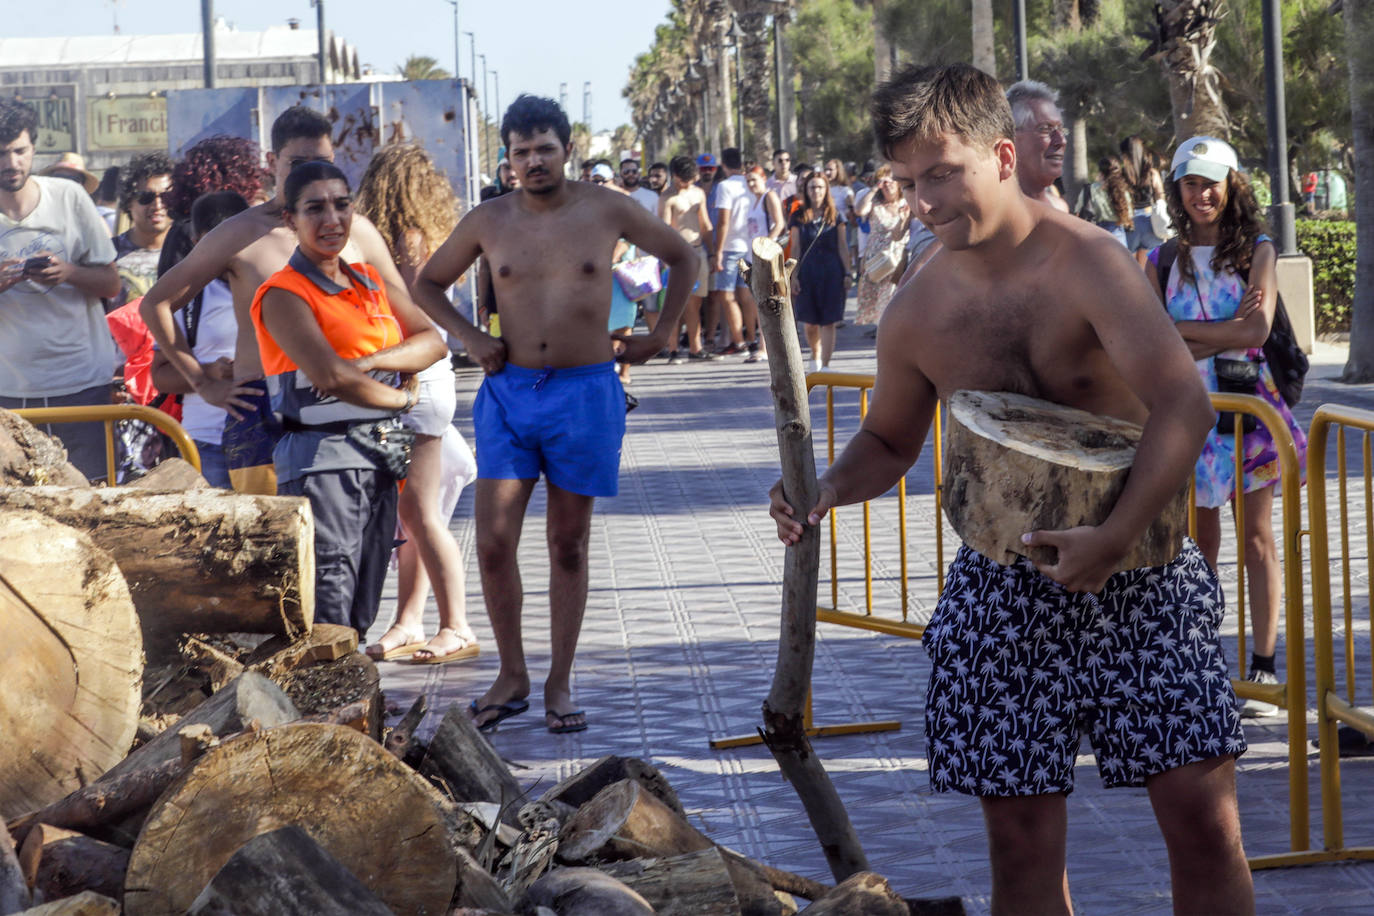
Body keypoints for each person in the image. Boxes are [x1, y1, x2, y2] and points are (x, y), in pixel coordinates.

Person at [770, 64, 1253, 913]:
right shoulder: (915, 312)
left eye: (941, 174)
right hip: (1002, 594)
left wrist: (1113, 539)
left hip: (1144, 577)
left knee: (1203, 826)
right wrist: (823, 488)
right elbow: (889, 440)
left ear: (999, 155)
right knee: (1021, 850)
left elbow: (1183, 406)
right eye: (907, 183)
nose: (923, 201)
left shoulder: (1092, 263)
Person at [411, 94, 697, 734]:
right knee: (491, 542)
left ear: (566, 148)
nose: (534, 161)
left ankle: (559, 683)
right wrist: (472, 339)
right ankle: (510, 675)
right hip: (510, 394)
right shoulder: (489, 219)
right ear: (508, 159)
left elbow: (685, 256)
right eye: (521, 152)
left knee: (567, 543)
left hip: (586, 391)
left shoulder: (607, 208)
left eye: (545, 148)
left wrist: (665, 330)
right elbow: (426, 283)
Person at [141, 105, 421, 496]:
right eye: (298, 162)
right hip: (264, 412)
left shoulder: (358, 232)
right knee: (273, 549)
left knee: (361, 544)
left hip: (356, 405)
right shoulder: (241, 232)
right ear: (273, 163)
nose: (310, 173)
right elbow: (155, 303)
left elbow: (405, 317)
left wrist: (400, 374)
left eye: (321, 162)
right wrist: (201, 381)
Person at [1147, 136, 1309, 719]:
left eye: (1211, 181)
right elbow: (1151, 337)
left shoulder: (1256, 251)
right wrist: (1218, 328)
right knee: (1198, 544)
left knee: (1259, 540)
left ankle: (1263, 664)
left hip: (1250, 416)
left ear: (1232, 183)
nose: (1202, 194)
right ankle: (1203, 664)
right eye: (1190, 183)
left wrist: (1184, 332)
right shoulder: (1161, 259)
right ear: (1178, 190)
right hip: (1186, 416)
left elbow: (1255, 332)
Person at [251, 160, 447, 635]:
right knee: (330, 601)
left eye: (341, 205)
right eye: (314, 208)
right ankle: (331, 706)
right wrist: (401, 400)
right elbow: (328, 377)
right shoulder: (282, 293)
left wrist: (365, 364)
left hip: (379, 454)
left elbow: (433, 342)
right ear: (289, 219)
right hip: (324, 461)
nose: (331, 219)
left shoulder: (367, 282)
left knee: (363, 601)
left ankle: (354, 702)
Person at [354, 142, 482, 664]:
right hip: (417, 375)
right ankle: (409, 619)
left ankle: (456, 624)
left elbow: (404, 307)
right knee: (412, 514)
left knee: (420, 513)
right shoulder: (416, 236)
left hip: (416, 379)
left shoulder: (401, 241)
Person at [0, 99, 121, 482]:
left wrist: (68, 272)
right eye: (1, 154)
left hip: (82, 383)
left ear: (33, 147)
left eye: (19, 151)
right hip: (9, 392)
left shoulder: (68, 197)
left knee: (93, 503)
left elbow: (111, 283)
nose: (12, 163)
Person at [148, 191, 251, 489]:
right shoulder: (187, 297)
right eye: (213, 242)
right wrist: (209, 375)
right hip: (206, 442)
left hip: (272, 436)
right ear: (197, 242)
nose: (226, 250)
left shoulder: (275, 283)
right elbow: (160, 376)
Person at [787, 170, 849, 371]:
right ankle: (815, 355)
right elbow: (795, 247)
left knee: (829, 320)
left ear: (826, 189)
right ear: (806, 189)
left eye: (820, 187)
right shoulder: (798, 216)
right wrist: (793, 275)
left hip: (832, 272)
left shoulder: (835, 215)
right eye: (812, 187)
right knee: (810, 322)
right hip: (808, 271)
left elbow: (842, 245)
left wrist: (848, 273)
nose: (816, 191)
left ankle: (826, 365)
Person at [659, 155, 717, 363]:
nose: (689, 183)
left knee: (695, 304)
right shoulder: (667, 198)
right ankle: (673, 349)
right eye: (686, 179)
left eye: (692, 178)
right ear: (675, 176)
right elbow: (664, 230)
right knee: (675, 304)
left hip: (697, 251)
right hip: (677, 255)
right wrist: (667, 260)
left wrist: (712, 254)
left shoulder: (698, 193)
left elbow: (706, 226)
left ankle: (696, 347)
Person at [709, 148, 759, 358]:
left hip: (730, 247)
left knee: (726, 295)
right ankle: (752, 338)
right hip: (750, 245)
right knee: (746, 295)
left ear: (723, 165)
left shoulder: (724, 186)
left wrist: (717, 251)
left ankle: (738, 342)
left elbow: (723, 221)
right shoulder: (751, 182)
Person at [111, 152, 176, 310]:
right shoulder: (108, 256)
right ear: (128, 203)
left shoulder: (192, 253)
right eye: (146, 197)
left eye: (167, 196)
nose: (158, 205)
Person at [853, 164, 910, 326]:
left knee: (895, 305)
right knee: (882, 310)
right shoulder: (875, 203)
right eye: (883, 182)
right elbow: (859, 210)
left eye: (892, 180)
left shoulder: (905, 203)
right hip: (877, 262)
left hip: (899, 261)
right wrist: (873, 189)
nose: (888, 184)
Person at [1006, 80, 1069, 213]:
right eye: (1046, 129)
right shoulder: (989, 214)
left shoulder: (1060, 209)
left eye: (1061, 129)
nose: (1061, 141)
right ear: (1011, 138)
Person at [1121, 135, 1167, 267]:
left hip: (1129, 222)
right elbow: (1160, 195)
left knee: (1131, 271)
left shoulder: (1121, 174)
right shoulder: (1151, 173)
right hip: (1150, 222)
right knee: (1149, 270)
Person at [1074, 155, 1133, 247]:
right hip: (1118, 235)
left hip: (1095, 235)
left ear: (1101, 172)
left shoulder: (1090, 189)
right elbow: (1129, 215)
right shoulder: (1123, 191)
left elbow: (1078, 213)